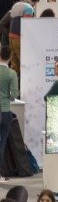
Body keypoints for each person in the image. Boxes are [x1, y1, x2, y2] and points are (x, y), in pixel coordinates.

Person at [0, 48, 15, 182]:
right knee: (1, 143)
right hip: (4, 111)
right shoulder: (11, 73)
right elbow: (14, 95)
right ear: (10, 57)